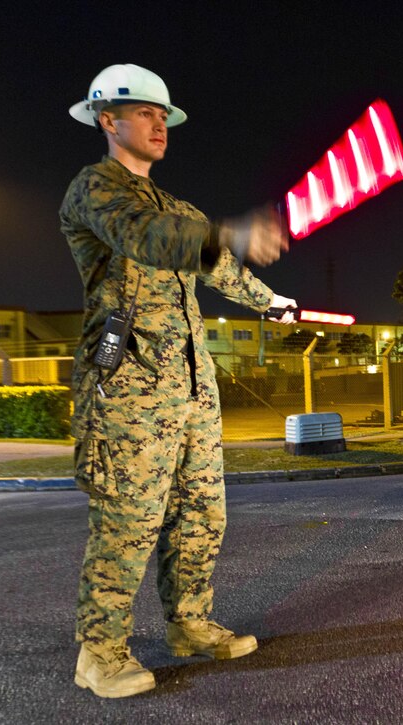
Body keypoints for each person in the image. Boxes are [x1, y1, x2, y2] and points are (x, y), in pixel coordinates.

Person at [62, 63, 296, 698]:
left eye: (164, 114)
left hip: (192, 389)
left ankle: (190, 626)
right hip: (128, 389)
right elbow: (154, 239)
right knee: (128, 520)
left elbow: (216, 265)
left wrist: (270, 301)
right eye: (144, 113)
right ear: (107, 121)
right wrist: (227, 234)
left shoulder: (179, 208)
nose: (159, 123)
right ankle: (99, 654)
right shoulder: (96, 191)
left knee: (201, 514)